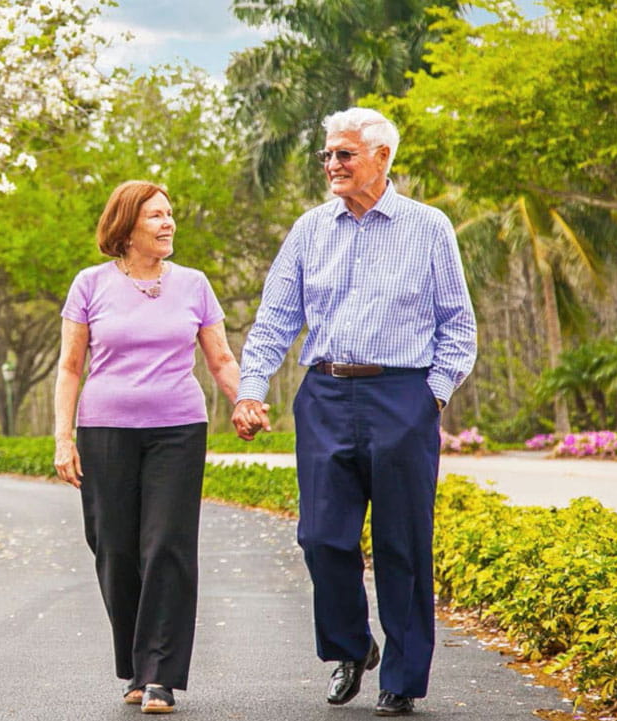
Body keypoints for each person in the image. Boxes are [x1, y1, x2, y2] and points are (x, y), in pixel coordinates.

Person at [231, 107, 477, 717]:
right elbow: (275, 321)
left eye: (344, 154)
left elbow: (459, 326)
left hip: (403, 396)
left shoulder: (428, 227)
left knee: (403, 543)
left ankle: (403, 677)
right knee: (320, 536)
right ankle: (350, 645)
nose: (332, 166)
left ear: (383, 157)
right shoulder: (310, 229)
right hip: (326, 394)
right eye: (328, 156)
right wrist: (249, 388)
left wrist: (433, 396)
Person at [53, 180, 242, 715]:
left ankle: (160, 674)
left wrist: (244, 400)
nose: (168, 223)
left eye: (170, 214)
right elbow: (70, 367)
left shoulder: (195, 285)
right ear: (127, 226)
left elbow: (221, 358)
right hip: (104, 430)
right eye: (156, 215)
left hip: (178, 428)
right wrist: (63, 438)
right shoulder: (89, 285)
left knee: (167, 546)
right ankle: (136, 667)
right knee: (113, 548)